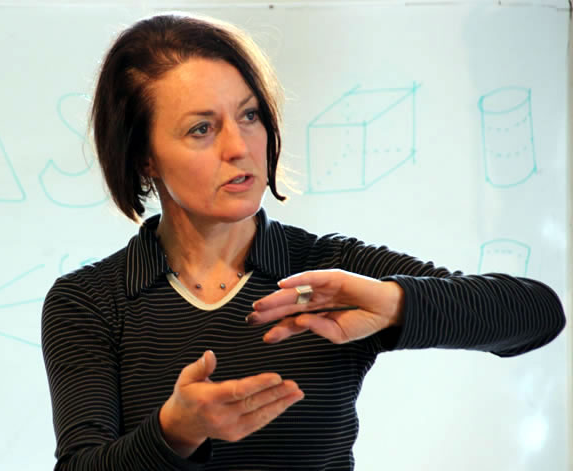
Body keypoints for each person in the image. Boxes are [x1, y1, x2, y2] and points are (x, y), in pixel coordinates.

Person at [41, 13, 566, 470]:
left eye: (249, 115)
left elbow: (537, 314)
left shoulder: (327, 272)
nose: (239, 146)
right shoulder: (89, 302)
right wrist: (175, 432)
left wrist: (390, 304)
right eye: (202, 129)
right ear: (144, 158)